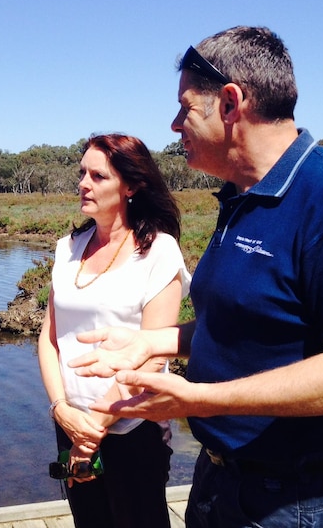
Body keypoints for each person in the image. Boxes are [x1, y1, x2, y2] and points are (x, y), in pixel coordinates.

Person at [68, 26, 323, 527]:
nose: (174, 124)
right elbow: (250, 327)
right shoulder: (241, 200)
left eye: (185, 108)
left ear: (230, 103)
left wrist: (198, 399)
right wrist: (155, 342)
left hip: (300, 502)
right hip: (221, 482)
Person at [38, 134, 190, 528]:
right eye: (82, 173)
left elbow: (154, 355)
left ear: (132, 185)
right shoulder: (67, 249)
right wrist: (62, 410)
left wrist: (92, 432)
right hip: (70, 423)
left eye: (98, 176)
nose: (83, 183)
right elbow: (49, 338)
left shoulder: (158, 252)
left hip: (134, 428)